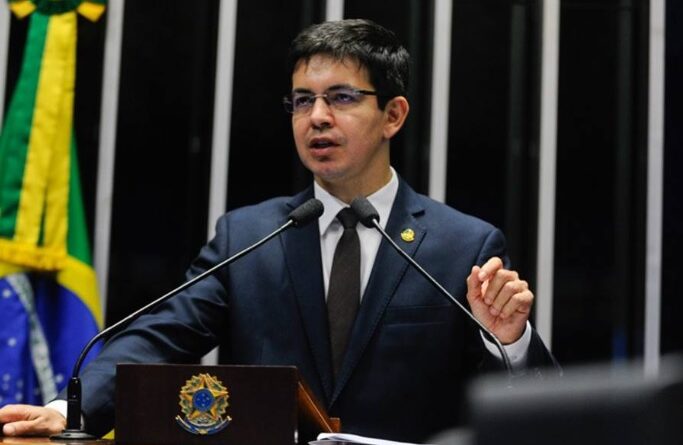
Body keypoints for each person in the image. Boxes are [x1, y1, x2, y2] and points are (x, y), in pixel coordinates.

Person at [0, 18, 558, 442]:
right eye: (302, 101)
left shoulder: (463, 245)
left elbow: (534, 406)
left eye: (341, 98)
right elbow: (158, 339)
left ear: (393, 115)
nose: (317, 117)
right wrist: (68, 411)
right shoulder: (247, 238)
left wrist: (511, 342)